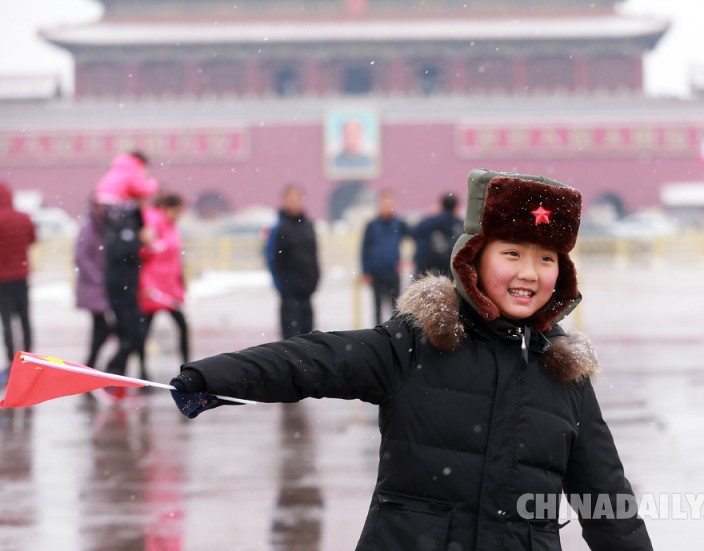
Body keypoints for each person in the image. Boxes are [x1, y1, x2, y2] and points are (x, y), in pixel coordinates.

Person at [169, 168, 652, 550]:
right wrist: (214, 377)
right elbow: (314, 360)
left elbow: (607, 500)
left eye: (546, 259)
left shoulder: (563, 373)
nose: (530, 273)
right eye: (512, 253)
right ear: (474, 259)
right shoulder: (417, 344)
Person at [95, 151, 158, 399]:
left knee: (130, 332)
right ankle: (112, 372)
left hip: (128, 283)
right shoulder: (121, 217)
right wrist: (138, 240)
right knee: (131, 333)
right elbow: (119, 249)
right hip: (119, 283)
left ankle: (117, 374)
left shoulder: (129, 215)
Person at [138, 192, 189, 380]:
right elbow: (143, 252)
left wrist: (181, 282)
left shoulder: (172, 227)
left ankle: (187, 367)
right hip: (152, 287)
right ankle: (142, 371)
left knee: (182, 325)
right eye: (178, 210)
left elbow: (174, 258)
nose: (180, 215)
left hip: (169, 286)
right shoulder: (153, 223)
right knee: (144, 330)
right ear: (168, 208)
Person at [263, 184, 320, 339]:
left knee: (308, 339)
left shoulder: (308, 226)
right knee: (291, 341)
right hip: (289, 294)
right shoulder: (279, 228)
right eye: (291, 198)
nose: (294, 201)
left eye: (298, 197)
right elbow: (272, 259)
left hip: (307, 292)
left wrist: (315, 279)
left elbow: (314, 256)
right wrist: (282, 286)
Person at [0, 182, 36, 385]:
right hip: (21, 276)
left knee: (6, 322)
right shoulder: (23, 218)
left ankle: (11, 361)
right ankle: (29, 359)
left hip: (2, 279)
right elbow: (32, 238)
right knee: (25, 319)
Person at [74, 198, 115, 369]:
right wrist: (98, 277)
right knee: (102, 326)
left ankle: (90, 362)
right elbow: (81, 256)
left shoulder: (106, 226)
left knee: (101, 327)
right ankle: (90, 363)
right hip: (93, 287)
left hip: (102, 286)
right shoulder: (89, 228)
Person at [360, 190, 411, 325]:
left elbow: (415, 236)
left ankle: (395, 334)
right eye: (384, 203)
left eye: (390, 204)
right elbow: (364, 250)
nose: (387, 207)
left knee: (396, 307)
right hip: (376, 272)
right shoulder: (372, 225)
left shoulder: (399, 224)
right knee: (377, 307)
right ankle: (377, 335)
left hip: (393, 271)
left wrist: (409, 259)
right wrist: (365, 271)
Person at [412, 192, 464, 277]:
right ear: (456, 206)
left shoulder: (430, 222)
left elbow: (415, 232)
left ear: (441, 205)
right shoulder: (459, 224)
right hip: (450, 268)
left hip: (428, 268)